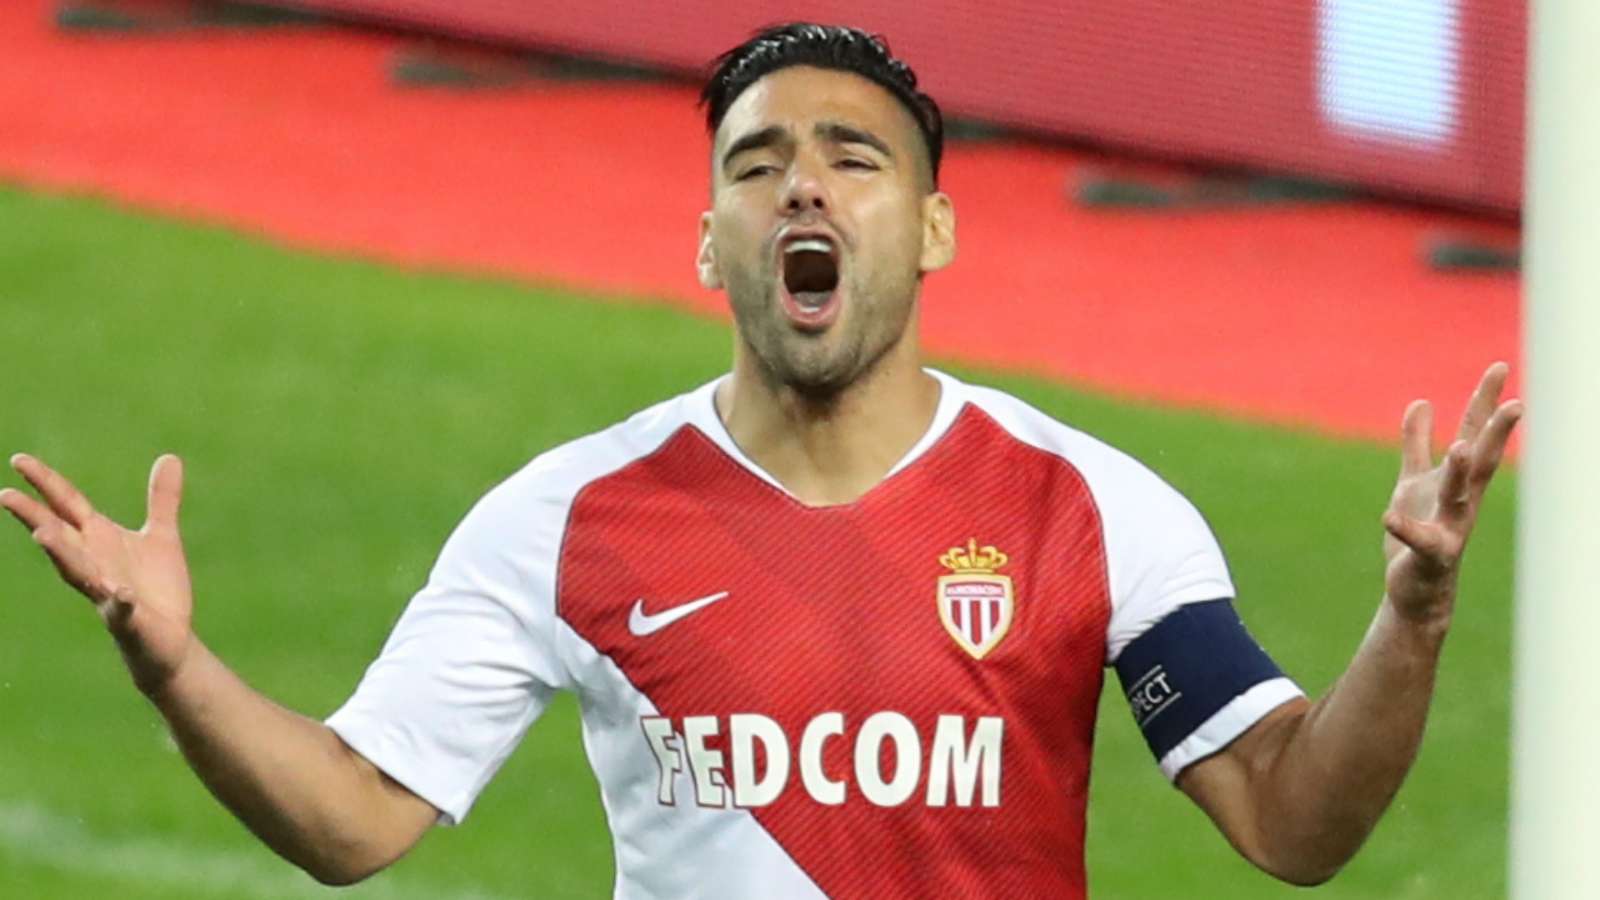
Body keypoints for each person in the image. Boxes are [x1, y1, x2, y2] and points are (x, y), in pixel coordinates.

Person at [0, 22, 1521, 900]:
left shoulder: (1089, 509)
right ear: (709, 240)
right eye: (758, 164)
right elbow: (353, 817)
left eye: (855, 159)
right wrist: (174, 666)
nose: (805, 185)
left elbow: (1289, 818)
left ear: (932, 229)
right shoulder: (571, 519)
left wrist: (1412, 620)